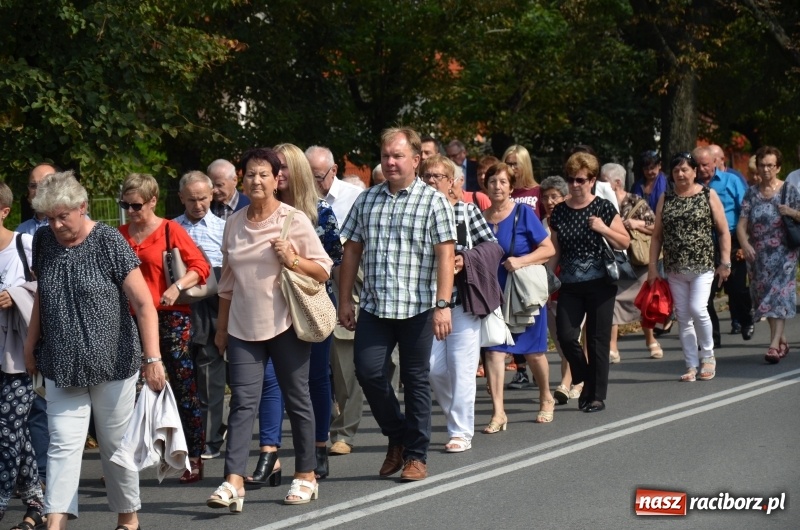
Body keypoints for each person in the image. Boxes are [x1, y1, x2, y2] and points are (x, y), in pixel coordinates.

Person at [23, 171, 166, 530]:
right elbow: (43, 295)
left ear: (82, 208)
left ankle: (127, 519)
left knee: (116, 448)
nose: (55, 224)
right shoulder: (43, 240)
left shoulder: (107, 241)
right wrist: (29, 344)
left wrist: (153, 359)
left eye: (62, 216)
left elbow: (144, 304)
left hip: (114, 365)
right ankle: (55, 523)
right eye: (49, 217)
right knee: (62, 447)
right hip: (62, 364)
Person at [208, 147, 332, 509]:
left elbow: (323, 269)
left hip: (286, 325)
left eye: (264, 174)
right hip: (243, 328)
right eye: (250, 174)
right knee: (244, 403)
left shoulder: (293, 219)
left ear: (277, 179)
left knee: (297, 399)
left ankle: (306, 476)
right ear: (242, 179)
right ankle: (233, 481)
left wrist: (292, 258)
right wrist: (221, 327)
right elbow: (227, 282)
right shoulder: (234, 222)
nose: (256, 180)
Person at [338, 127, 455, 482]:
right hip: (375, 306)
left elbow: (446, 256)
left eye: (398, 155)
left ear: (416, 160)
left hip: (418, 306)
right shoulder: (367, 199)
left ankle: (416, 456)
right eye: (386, 155)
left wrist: (443, 304)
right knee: (368, 371)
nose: (389, 161)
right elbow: (352, 251)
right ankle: (399, 436)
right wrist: (345, 299)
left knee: (415, 379)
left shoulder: (433, 201)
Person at [249, 143, 341, 483]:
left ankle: (318, 446)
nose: (279, 173)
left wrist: (296, 261)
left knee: (315, 378)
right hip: (268, 308)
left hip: (309, 307)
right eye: (275, 167)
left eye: (285, 167)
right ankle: (269, 454)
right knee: (270, 380)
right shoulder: (254, 214)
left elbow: (332, 265)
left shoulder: (319, 213)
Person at [118, 173, 209, 484]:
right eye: (125, 205)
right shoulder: (119, 235)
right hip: (129, 319)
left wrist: (177, 287)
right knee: (127, 390)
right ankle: (127, 457)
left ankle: (193, 456)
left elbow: (201, 267)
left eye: (136, 205)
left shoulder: (171, 230)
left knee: (183, 386)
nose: (130, 211)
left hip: (171, 316)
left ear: (153, 201)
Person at [421, 155, 496, 450]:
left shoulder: (466, 211)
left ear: (452, 182)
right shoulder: (417, 213)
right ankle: (458, 416)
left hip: (462, 301)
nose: (430, 181)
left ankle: (460, 432)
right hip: (427, 303)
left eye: (437, 176)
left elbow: (492, 246)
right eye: (425, 176)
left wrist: (466, 258)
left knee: (461, 367)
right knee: (432, 369)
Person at [548, 152, 630, 413]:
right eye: (571, 179)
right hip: (570, 285)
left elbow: (624, 241)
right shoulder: (560, 212)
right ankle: (582, 374)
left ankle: (595, 396)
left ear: (592, 180)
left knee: (596, 340)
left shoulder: (603, 208)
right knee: (566, 335)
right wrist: (548, 281)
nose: (574, 184)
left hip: (600, 284)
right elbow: (555, 250)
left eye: (580, 180)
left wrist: (603, 228)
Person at [481, 162, 555, 428]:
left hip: (523, 294)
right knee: (493, 352)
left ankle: (546, 396)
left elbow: (547, 249)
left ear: (511, 187)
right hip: (493, 294)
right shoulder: (481, 217)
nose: (497, 186)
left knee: (534, 353)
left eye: (502, 182)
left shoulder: (523, 213)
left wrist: (521, 262)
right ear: (486, 186)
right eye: (492, 182)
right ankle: (498, 412)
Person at [648, 153, 731, 382]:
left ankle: (709, 356)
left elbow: (723, 231)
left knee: (698, 308)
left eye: (685, 169)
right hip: (675, 268)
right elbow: (656, 236)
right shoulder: (666, 198)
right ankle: (691, 365)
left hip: (702, 265)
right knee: (683, 317)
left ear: (695, 171)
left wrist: (725, 262)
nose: (681, 174)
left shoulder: (708, 195)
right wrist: (653, 267)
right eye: (676, 171)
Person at [0, 183, 45, 530]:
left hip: (19, 356)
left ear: (4, 211)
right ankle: (35, 504)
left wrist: (14, 295)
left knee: (7, 430)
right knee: (18, 435)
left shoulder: (23, 244)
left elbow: (48, 287)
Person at [174, 171, 228, 461]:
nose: (198, 205)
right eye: (192, 200)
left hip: (213, 299)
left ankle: (210, 437)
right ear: (181, 198)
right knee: (181, 372)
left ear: (212, 196)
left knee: (209, 368)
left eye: (203, 198)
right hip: (178, 301)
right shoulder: (170, 228)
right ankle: (182, 436)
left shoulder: (223, 228)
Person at [14, 163, 56, 495]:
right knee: (37, 401)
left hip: (63, 325)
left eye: (42, 185)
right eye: (31, 186)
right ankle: (39, 474)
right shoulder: (21, 232)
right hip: (30, 325)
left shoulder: (68, 226)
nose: (35, 191)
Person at [737, 146, 799, 364]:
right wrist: (744, 244)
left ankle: (772, 347)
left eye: (770, 165)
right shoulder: (751, 193)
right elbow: (741, 224)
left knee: (779, 295)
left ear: (778, 167)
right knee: (764, 297)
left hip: (785, 253)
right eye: (762, 165)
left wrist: (791, 212)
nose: (765, 170)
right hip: (759, 254)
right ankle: (781, 339)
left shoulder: (789, 190)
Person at [603, 163, 661, 362]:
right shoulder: (601, 204)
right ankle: (612, 348)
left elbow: (657, 227)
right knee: (612, 302)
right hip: (614, 263)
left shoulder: (635, 201)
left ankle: (651, 340)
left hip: (638, 261)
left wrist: (638, 224)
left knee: (644, 302)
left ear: (617, 182)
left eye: (604, 181)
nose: (599, 185)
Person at [693, 145, 750, 343]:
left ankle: (746, 319)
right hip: (705, 242)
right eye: (697, 165)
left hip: (732, 238)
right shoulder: (693, 185)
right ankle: (712, 337)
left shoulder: (731, 180)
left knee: (737, 288)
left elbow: (745, 211)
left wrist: (744, 243)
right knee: (705, 293)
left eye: (705, 165)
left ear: (715, 163)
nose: (701, 169)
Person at [540, 176, 583, 404]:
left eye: (554, 196)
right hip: (549, 289)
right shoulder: (541, 224)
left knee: (570, 337)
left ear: (565, 197)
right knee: (559, 341)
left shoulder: (570, 220)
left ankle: (566, 384)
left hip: (573, 287)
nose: (549, 201)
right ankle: (580, 377)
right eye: (545, 196)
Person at [502, 144, 542, 387]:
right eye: (507, 162)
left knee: (531, 318)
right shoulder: (504, 191)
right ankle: (521, 369)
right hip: (508, 263)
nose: (511, 168)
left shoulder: (537, 191)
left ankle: (537, 367)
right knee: (510, 317)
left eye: (515, 163)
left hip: (532, 263)